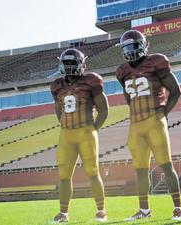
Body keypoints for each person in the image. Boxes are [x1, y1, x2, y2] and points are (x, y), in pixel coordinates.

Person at [116, 30, 181, 221]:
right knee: (140, 170)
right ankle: (144, 210)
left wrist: (163, 112)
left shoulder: (156, 61)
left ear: (144, 46)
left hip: (155, 120)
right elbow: (129, 97)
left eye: (134, 46)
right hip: (136, 124)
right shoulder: (122, 71)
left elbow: (176, 91)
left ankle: (178, 208)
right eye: (127, 47)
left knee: (166, 165)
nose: (131, 50)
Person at [51, 48, 109, 223]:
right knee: (63, 175)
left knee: (92, 172)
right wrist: (67, 126)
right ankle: (63, 213)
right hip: (66, 135)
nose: (69, 66)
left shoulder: (91, 81)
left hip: (85, 132)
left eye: (72, 63)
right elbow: (58, 111)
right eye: (66, 63)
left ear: (82, 64)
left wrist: (92, 129)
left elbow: (104, 110)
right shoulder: (56, 86)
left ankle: (101, 210)